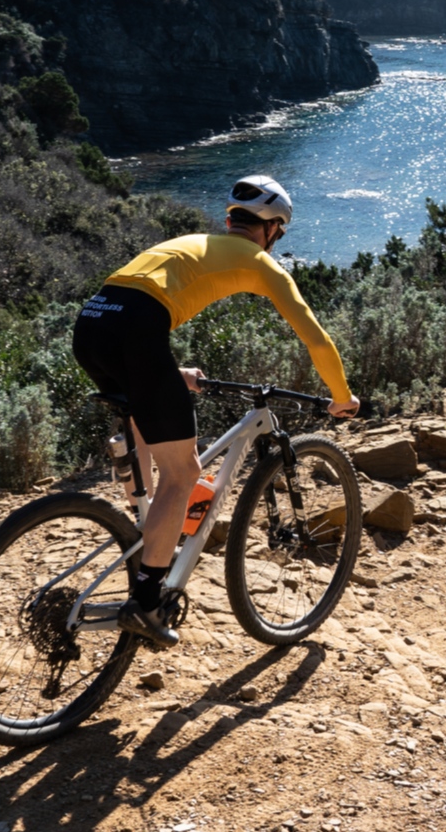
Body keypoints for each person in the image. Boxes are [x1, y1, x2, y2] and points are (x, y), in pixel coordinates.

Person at [72, 175, 359, 646]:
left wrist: (167, 369)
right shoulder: (261, 263)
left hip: (94, 322)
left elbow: (142, 300)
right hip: (138, 331)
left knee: (151, 425)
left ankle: (139, 510)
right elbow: (315, 337)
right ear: (273, 230)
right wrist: (341, 395)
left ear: (233, 220)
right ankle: (145, 602)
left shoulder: (193, 242)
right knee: (182, 474)